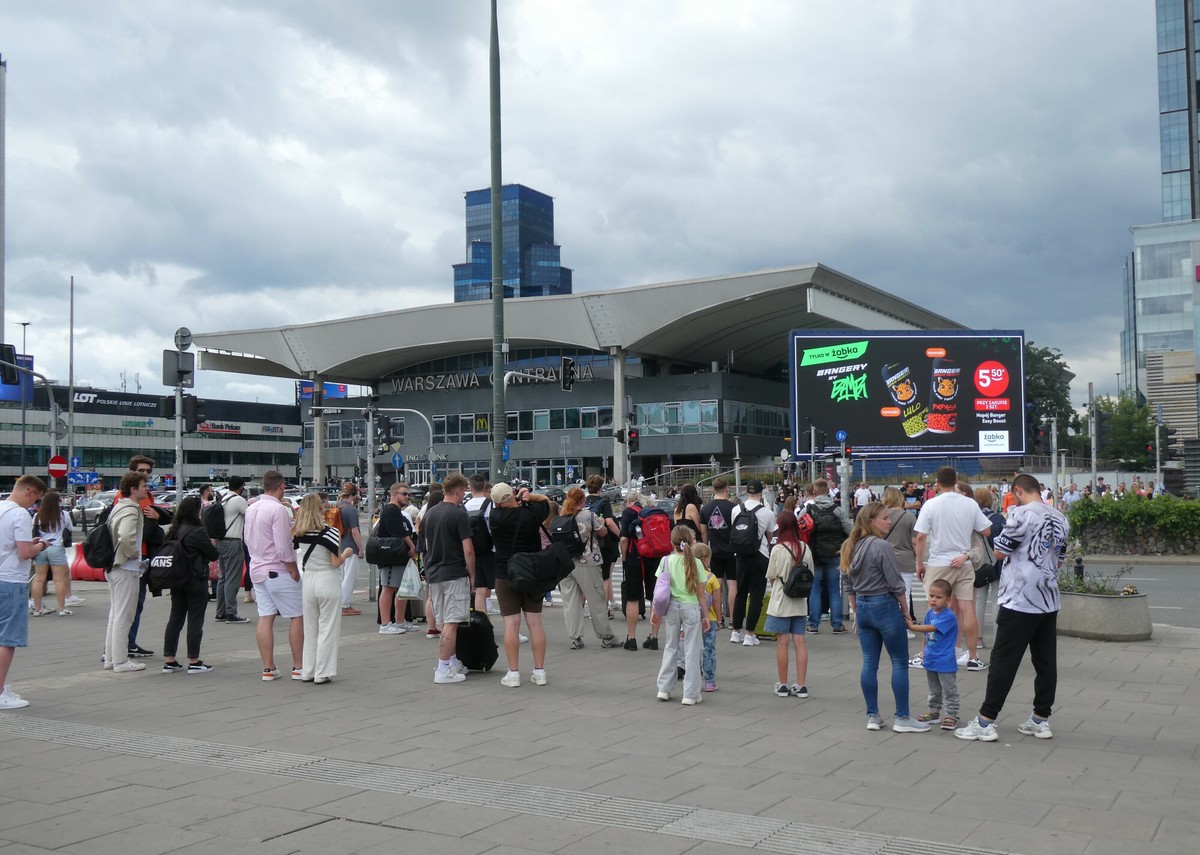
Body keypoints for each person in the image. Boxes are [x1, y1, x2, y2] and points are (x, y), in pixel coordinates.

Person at [956, 474, 1069, 742]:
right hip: (1048, 598)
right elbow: (1061, 560)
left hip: (1019, 598)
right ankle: (1040, 719)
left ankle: (985, 721)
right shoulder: (1061, 518)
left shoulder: (1020, 515)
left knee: (1003, 660)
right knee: (1045, 661)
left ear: (1018, 490)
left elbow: (999, 552)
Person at [842, 502, 929, 733]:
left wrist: (856, 611)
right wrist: (906, 612)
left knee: (869, 662)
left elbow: (848, 583)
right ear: (871, 521)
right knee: (899, 662)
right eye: (884, 518)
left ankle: (873, 715)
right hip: (884, 604)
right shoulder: (881, 546)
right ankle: (902, 717)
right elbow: (895, 583)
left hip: (863, 606)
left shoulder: (850, 546)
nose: (889, 521)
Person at [913, 466, 994, 671]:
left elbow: (921, 536)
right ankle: (973, 657)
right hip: (964, 562)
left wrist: (919, 563)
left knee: (933, 608)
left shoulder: (931, 504)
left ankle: (925, 654)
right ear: (956, 480)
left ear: (937, 483)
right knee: (968, 609)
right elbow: (986, 530)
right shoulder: (970, 504)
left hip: (940, 561)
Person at [488, 482, 550, 685]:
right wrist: (528, 497)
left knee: (511, 624)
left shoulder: (496, 518)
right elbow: (547, 501)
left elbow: (500, 506)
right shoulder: (531, 514)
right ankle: (539, 671)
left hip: (505, 574)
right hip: (531, 572)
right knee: (535, 623)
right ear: (512, 496)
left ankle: (513, 672)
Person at [244, 470, 303, 682]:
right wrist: (293, 567)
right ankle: (298, 666)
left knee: (265, 617)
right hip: (277, 569)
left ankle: (268, 667)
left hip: (257, 568)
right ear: (281, 486)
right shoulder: (277, 509)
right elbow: (283, 544)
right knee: (297, 615)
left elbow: (247, 538)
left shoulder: (252, 508)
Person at [293, 494, 355, 683]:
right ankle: (322, 672)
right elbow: (335, 562)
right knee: (328, 628)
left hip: (309, 580)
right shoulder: (330, 531)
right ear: (320, 508)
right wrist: (346, 553)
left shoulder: (298, 532)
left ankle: (308, 671)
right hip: (327, 579)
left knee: (310, 628)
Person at [420, 472, 475, 684]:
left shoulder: (431, 513)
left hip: (435, 572)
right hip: (454, 573)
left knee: (444, 620)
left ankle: (452, 661)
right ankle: (443, 668)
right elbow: (468, 549)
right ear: (459, 491)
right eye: (464, 492)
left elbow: (425, 545)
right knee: (452, 621)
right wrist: (472, 575)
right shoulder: (459, 514)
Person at [0, 475, 48, 709]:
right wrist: (40, 545)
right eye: (36, 498)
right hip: (11, 581)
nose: (34, 505)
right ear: (29, 491)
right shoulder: (19, 514)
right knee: (6, 640)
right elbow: (25, 553)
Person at [160, 497, 220, 674]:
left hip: (175, 579)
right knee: (195, 619)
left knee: (175, 618)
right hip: (195, 579)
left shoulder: (173, 530)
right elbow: (213, 554)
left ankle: (169, 660)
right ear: (196, 512)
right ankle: (194, 660)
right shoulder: (197, 532)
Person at [650, 525, 709, 705]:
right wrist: (705, 615)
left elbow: (660, 590)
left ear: (672, 542)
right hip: (691, 608)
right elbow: (701, 593)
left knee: (671, 646)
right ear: (691, 541)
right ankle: (690, 694)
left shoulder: (666, 561)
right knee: (692, 650)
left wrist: (655, 611)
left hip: (672, 608)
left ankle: (664, 688)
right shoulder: (696, 563)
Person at [557, 487, 619, 650]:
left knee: (571, 602)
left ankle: (575, 638)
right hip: (588, 561)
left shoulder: (561, 516)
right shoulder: (589, 516)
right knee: (596, 599)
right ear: (582, 500)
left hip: (566, 563)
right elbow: (603, 532)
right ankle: (606, 636)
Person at [105, 471, 151, 674]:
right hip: (126, 567)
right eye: (143, 485)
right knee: (124, 616)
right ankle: (121, 661)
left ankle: (111, 658)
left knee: (115, 614)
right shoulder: (132, 509)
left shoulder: (119, 506)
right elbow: (125, 535)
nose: (146, 488)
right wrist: (135, 556)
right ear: (133, 489)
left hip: (113, 566)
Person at [764, 511, 811, 699]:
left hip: (781, 601)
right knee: (800, 642)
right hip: (800, 602)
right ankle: (801, 685)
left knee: (782, 642)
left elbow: (772, 577)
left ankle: (782, 685)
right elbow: (810, 575)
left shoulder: (778, 549)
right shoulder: (805, 548)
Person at [728, 479, 776, 646]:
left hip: (740, 555)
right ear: (761, 493)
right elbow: (770, 537)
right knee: (756, 595)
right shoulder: (767, 512)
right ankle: (750, 634)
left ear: (747, 492)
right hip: (759, 555)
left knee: (740, 593)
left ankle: (735, 631)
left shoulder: (735, 510)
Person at [906, 578, 959, 729]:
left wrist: (911, 626)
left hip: (945, 660)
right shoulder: (930, 613)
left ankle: (952, 714)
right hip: (931, 658)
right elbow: (926, 636)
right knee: (934, 689)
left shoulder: (948, 616)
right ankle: (934, 712)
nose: (933, 600)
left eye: (938, 597)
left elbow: (931, 629)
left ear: (948, 599)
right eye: (931, 596)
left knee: (949, 689)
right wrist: (923, 652)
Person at [806, 478, 851, 634]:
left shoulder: (809, 509)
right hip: (834, 553)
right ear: (828, 492)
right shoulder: (837, 510)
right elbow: (850, 530)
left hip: (815, 554)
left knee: (815, 589)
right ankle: (837, 625)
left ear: (815, 492)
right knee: (833, 589)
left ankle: (813, 624)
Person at [618, 491, 658, 651]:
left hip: (635, 559)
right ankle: (654, 637)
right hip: (654, 558)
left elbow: (624, 539)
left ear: (629, 501)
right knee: (655, 598)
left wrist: (624, 557)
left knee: (633, 598)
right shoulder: (653, 512)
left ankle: (632, 638)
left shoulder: (629, 513)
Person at [376, 482, 417, 634]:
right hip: (390, 555)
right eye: (404, 494)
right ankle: (386, 624)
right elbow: (399, 532)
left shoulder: (396, 511)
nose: (407, 497)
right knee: (388, 588)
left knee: (400, 588)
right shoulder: (391, 510)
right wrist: (412, 545)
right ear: (394, 494)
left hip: (397, 555)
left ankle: (399, 621)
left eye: (408, 494)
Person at [699, 477, 737, 629]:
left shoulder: (706, 508)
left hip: (714, 551)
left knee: (717, 586)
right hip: (731, 550)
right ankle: (734, 619)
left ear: (713, 489)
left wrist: (706, 549)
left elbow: (703, 532)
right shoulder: (733, 507)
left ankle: (718, 619)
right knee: (733, 584)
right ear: (727, 488)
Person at [972, 486, 1005, 651]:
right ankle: (998, 637)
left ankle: (977, 638)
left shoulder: (971, 518)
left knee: (979, 601)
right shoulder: (998, 518)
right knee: (997, 600)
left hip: (978, 564)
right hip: (996, 564)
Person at [880, 487, 918, 630]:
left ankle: (886, 626)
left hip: (884, 559)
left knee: (885, 593)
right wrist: (919, 560)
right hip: (905, 559)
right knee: (904, 594)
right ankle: (904, 626)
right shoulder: (909, 517)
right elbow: (915, 542)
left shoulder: (880, 516)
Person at [29, 491, 73, 616]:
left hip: (41, 547)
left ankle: (37, 609)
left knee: (39, 579)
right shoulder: (63, 515)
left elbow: (34, 531)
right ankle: (62, 609)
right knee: (59, 580)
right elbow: (69, 529)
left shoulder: (37, 516)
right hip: (57, 547)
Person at [584, 475, 621, 618]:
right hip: (602, 544)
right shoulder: (603, 503)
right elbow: (610, 522)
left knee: (588, 579)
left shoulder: (583, 501)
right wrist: (621, 535)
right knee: (605, 577)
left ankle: (584, 609)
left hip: (585, 543)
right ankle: (604, 611)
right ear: (600, 487)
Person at [214, 476, 249, 624]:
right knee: (232, 578)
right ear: (241, 487)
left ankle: (220, 613)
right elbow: (252, 516)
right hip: (233, 542)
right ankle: (231, 613)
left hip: (221, 541)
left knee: (223, 577)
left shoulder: (224, 499)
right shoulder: (238, 500)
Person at [463, 473, 496, 615]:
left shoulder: (464, 507)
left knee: (479, 590)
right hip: (492, 550)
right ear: (484, 486)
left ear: (470, 488)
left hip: (473, 551)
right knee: (500, 588)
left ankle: (481, 624)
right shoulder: (491, 504)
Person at [692, 542, 721, 692]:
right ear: (705, 559)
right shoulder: (712, 578)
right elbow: (717, 600)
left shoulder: (691, 576)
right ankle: (709, 681)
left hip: (694, 618)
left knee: (694, 648)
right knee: (709, 649)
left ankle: (694, 678)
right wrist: (719, 618)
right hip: (710, 618)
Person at [335, 484, 364, 616]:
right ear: (353, 493)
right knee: (350, 577)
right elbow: (355, 532)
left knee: (342, 577)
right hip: (351, 547)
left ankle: (340, 603)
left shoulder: (336, 506)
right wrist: (361, 549)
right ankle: (344, 605)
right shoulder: (351, 510)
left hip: (339, 545)